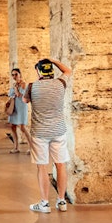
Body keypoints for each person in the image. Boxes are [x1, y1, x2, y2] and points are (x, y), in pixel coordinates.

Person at [26, 57, 72, 213]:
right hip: (58, 131)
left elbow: (25, 100)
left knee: (42, 167)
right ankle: (61, 201)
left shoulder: (32, 87)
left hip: (39, 132)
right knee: (60, 164)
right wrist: (52, 60)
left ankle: (45, 203)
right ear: (51, 70)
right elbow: (68, 71)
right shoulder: (61, 83)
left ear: (39, 71)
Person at [5, 67, 28, 153]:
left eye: (16, 74)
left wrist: (15, 89)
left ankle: (31, 146)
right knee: (12, 126)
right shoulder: (15, 84)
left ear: (20, 74)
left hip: (21, 107)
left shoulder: (23, 84)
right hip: (14, 107)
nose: (14, 76)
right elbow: (12, 96)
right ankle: (16, 147)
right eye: (13, 75)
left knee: (22, 127)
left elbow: (19, 95)